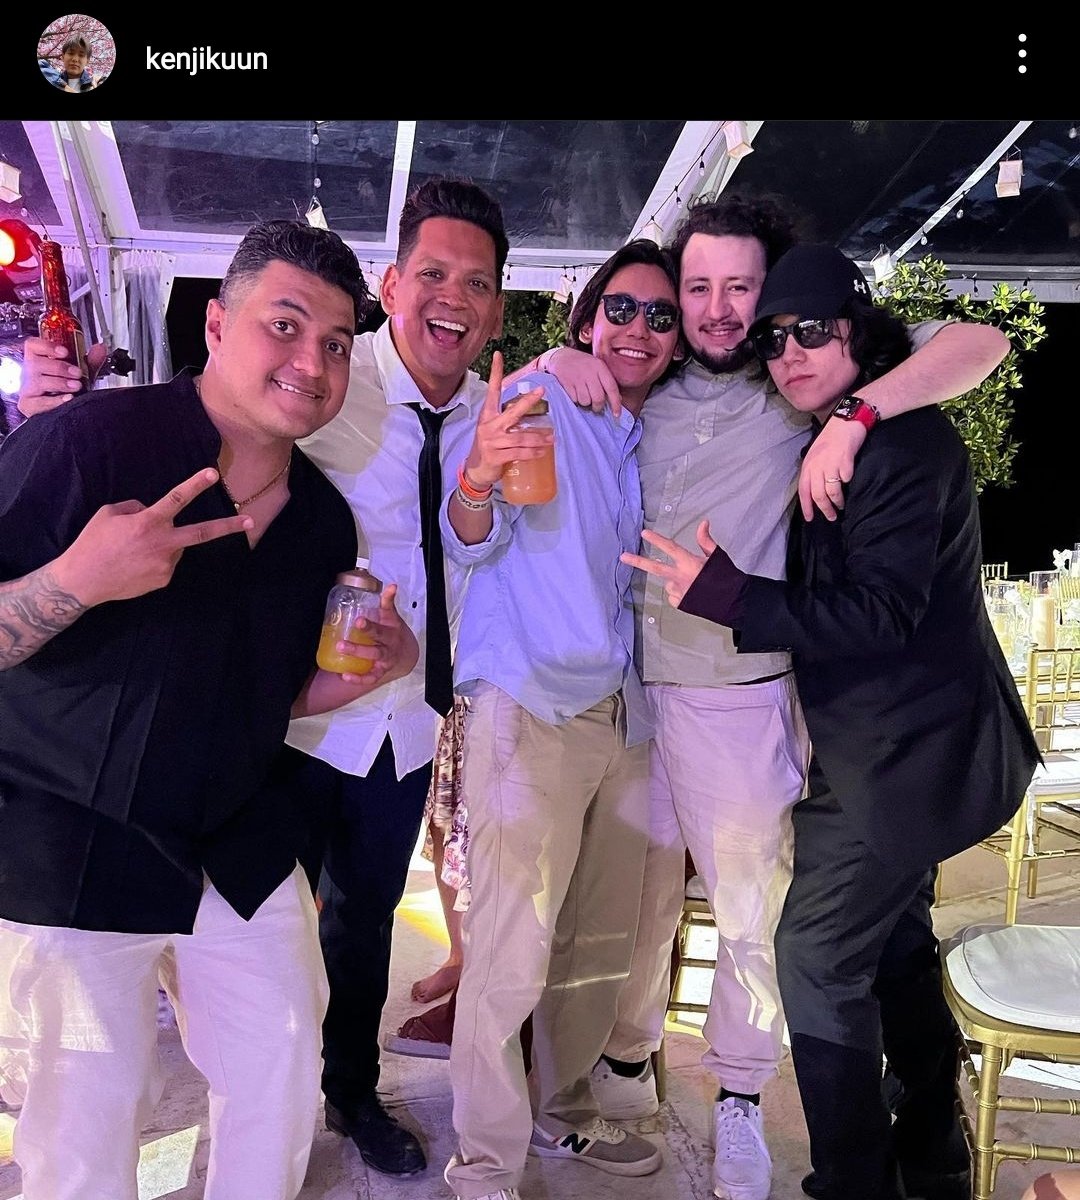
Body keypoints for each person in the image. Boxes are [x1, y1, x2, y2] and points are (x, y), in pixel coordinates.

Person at [13, 175, 507, 1179]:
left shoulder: (320, 520)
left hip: (232, 836)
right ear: (216, 324)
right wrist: (74, 581)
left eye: (334, 342)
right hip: (72, 837)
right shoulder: (88, 445)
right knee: (87, 1121)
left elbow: (264, 694)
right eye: (284, 325)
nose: (311, 362)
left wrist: (361, 679)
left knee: (282, 1059)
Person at [518, 193, 1010, 1200]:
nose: (715, 309)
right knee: (631, 910)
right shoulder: (648, 383)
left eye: (739, 287)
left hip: (739, 694)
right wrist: (563, 356)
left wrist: (857, 418)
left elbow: (980, 343)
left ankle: (740, 1094)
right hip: (627, 691)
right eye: (696, 287)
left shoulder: (800, 385)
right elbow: (579, 372)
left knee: (753, 915)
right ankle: (625, 1061)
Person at [275, 177, 510, 1176]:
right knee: (261, 925)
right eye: (433, 274)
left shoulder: (499, 416)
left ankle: (350, 1092)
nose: (452, 299)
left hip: (405, 725)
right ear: (392, 282)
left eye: (477, 283)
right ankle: (266, 1102)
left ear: (497, 306)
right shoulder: (326, 380)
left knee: (364, 920)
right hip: (293, 714)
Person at [442, 238, 685, 1200]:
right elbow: (470, 535)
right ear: (587, 319)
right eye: (620, 308)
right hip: (533, 704)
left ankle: (562, 1114)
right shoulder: (540, 399)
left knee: (595, 943)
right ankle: (484, 1164)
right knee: (510, 949)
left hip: (625, 715)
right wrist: (480, 471)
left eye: (660, 316)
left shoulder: (647, 432)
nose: (639, 329)